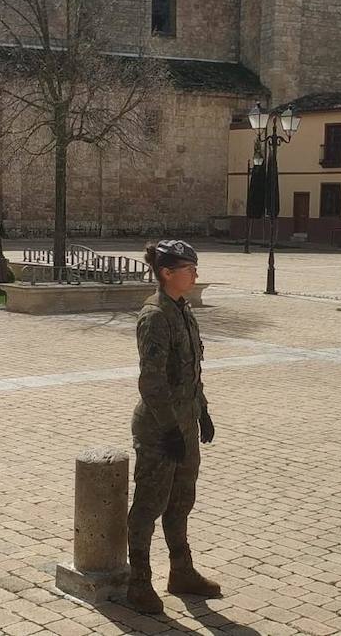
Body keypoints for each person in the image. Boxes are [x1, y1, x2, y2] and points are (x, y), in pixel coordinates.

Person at [125, 239, 221, 613]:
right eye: (189, 269)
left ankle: (181, 571)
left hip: (184, 422)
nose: (195, 274)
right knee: (149, 505)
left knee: (181, 502)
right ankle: (139, 583)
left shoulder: (182, 309)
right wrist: (168, 431)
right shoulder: (155, 316)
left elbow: (191, 372)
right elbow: (151, 382)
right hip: (159, 430)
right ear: (167, 273)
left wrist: (203, 411)